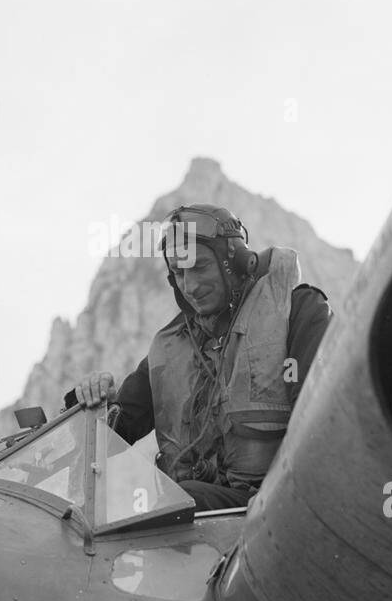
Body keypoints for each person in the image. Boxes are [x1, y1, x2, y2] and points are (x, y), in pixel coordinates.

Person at [71, 204, 332, 511]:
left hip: (279, 512)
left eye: (199, 267)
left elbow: (320, 419)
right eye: (179, 273)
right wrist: (91, 401)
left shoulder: (297, 311)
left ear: (234, 262)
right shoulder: (168, 351)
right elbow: (113, 431)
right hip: (193, 529)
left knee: (186, 499)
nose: (190, 286)